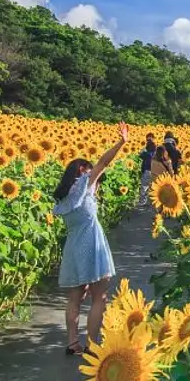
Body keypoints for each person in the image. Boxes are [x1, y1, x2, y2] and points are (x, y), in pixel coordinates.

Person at [54, 123, 128, 354]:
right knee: (99, 297)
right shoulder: (84, 185)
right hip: (92, 245)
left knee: (75, 297)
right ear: (82, 173)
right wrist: (121, 142)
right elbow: (104, 163)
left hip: (73, 247)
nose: (92, 176)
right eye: (88, 171)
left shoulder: (63, 199)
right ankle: (93, 345)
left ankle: (72, 342)